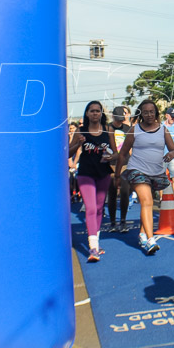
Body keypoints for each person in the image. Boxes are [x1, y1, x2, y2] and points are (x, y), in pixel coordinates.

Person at [115, 100, 174, 255]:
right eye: (145, 112)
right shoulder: (135, 130)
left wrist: (172, 153)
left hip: (156, 172)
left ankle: (142, 234)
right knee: (147, 201)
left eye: (152, 111)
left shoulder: (163, 130)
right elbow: (123, 154)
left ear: (156, 113)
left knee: (147, 203)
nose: (149, 114)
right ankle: (151, 240)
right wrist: (117, 175)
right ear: (141, 114)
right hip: (137, 170)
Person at [74, 101, 117, 263]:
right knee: (90, 208)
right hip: (85, 173)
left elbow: (117, 154)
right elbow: (68, 152)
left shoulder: (108, 130)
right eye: (92, 111)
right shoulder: (80, 130)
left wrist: (111, 156)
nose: (95, 114)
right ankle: (93, 247)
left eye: (98, 111)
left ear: (101, 114)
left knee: (99, 209)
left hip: (103, 173)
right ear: (86, 113)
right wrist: (78, 143)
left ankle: (96, 244)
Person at [106, 106, 134, 232]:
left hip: (125, 163)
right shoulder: (107, 128)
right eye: (117, 120)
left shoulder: (128, 129)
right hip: (110, 164)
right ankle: (112, 222)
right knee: (111, 193)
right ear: (113, 117)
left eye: (121, 120)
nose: (119, 122)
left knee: (124, 192)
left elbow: (132, 146)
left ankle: (123, 220)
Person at [67, 120, 81, 203]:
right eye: (70, 128)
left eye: (73, 128)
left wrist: (74, 163)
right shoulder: (67, 137)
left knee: (76, 179)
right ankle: (71, 197)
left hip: (77, 161)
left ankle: (78, 195)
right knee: (70, 180)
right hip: (69, 161)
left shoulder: (79, 136)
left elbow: (78, 150)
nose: (71, 130)